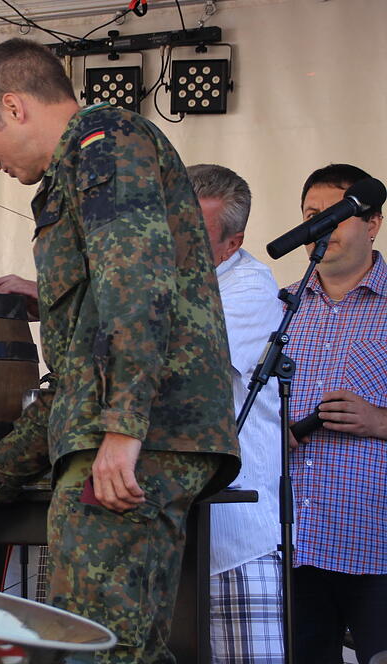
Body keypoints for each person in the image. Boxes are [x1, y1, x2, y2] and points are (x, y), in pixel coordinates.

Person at [0, 38, 239, 664]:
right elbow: (74, 375)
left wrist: (122, 428)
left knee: (91, 650)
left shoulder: (105, 141)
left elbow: (136, 285)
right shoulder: (83, 168)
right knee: (123, 647)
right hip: (134, 436)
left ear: (13, 107)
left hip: (134, 443)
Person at [286, 164, 386, 664]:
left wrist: (381, 421)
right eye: (310, 216)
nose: (319, 227)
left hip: (377, 542)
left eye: (336, 215)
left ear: (373, 224)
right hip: (293, 541)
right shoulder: (277, 308)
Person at [187, 164, 284, 664]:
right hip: (172, 535)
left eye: (195, 230)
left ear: (233, 242)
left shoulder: (249, 285)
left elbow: (182, 355)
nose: (176, 238)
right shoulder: (150, 282)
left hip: (235, 541)